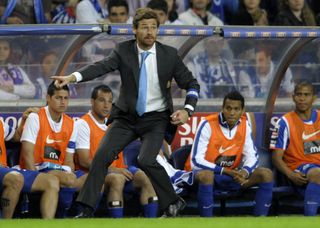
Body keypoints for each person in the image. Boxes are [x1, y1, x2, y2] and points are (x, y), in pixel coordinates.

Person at [52, 7, 200, 218]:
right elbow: (100, 67)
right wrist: (72, 77)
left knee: (146, 159)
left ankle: (172, 201)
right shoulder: (123, 51)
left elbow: (191, 83)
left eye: (154, 28)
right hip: (127, 118)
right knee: (102, 156)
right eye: (145, 28)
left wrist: (187, 110)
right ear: (134, 30)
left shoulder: (169, 55)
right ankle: (85, 209)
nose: (150, 32)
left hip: (156, 118)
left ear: (158, 30)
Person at [185, 91, 273, 217]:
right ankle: (206, 222)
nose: (232, 113)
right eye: (228, 108)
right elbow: (196, 161)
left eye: (236, 109)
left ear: (243, 110)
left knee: (266, 174)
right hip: (202, 176)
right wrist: (225, 171)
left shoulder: (245, 125)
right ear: (222, 108)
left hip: (231, 175)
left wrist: (245, 172)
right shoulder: (207, 124)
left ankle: (260, 221)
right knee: (207, 176)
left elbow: (252, 155)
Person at [75, 85, 158, 218]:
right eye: (102, 100)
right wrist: (113, 170)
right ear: (92, 101)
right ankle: (116, 222)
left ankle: (153, 222)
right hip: (94, 174)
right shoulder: (83, 124)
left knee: (145, 177)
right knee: (117, 179)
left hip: (120, 170)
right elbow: (84, 161)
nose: (106, 105)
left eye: (109, 101)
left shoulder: (115, 123)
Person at [19, 81, 78, 217]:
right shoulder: (35, 117)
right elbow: (27, 154)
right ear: (48, 98)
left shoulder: (72, 124)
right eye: (58, 98)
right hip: (35, 170)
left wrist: (69, 173)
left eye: (66, 98)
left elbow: (69, 160)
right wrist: (35, 177)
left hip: (60, 171)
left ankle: (80, 216)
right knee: (65, 181)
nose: (63, 102)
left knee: (89, 180)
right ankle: (62, 217)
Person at [270, 81, 320, 216]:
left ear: (314, 98)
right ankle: (309, 219)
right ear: (293, 97)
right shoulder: (284, 122)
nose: (302, 98)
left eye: (306, 95)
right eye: (299, 94)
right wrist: (291, 175)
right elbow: (276, 158)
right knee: (317, 173)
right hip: (299, 169)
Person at [1, 107, 59, 219]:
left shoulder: (0, 123)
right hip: (8, 173)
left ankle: (48, 225)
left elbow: (16, 136)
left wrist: (23, 120)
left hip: (5, 170)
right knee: (15, 178)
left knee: (51, 181)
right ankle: (5, 223)